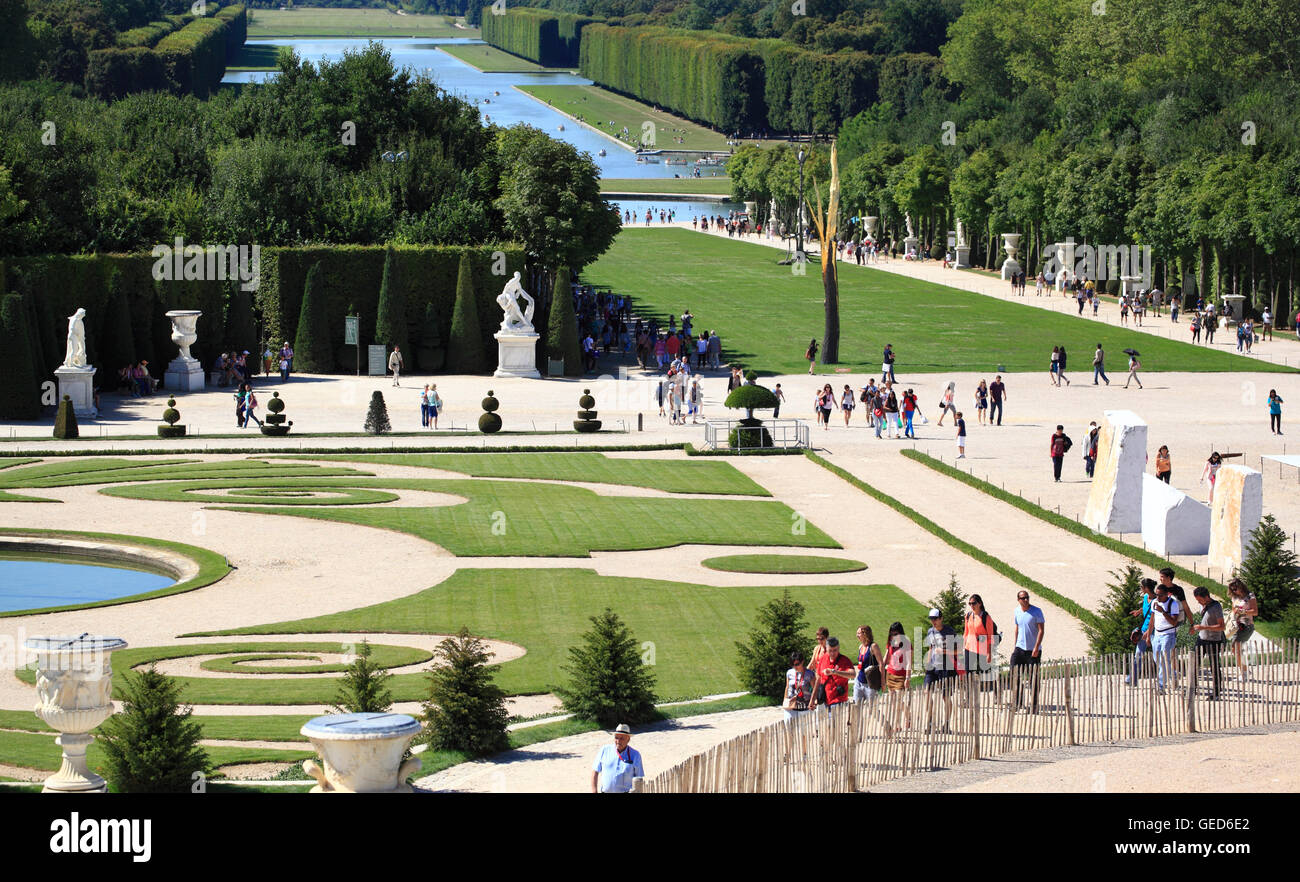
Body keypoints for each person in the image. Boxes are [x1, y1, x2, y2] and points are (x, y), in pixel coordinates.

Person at [923, 608, 957, 732]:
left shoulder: (949, 632)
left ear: (941, 618)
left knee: (946, 696)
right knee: (927, 693)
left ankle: (947, 723)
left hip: (946, 668)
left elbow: (958, 650)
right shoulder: (930, 631)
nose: (933, 621)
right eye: (931, 619)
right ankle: (930, 722)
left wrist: (943, 651)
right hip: (932, 667)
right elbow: (930, 648)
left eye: (935, 619)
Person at [1010, 591, 1045, 711]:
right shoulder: (1017, 611)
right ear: (1018, 599)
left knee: (1033, 678)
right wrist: (1015, 645)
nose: (1025, 600)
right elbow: (1017, 628)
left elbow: (1041, 630)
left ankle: (1034, 704)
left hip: (1033, 650)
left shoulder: (1037, 611)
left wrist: (1036, 647)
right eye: (1023, 598)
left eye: (1027, 597)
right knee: (1014, 674)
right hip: (1019, 648)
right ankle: (1018, 702)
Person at [1190, 586, 1225, 699]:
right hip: (1201, 638)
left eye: (1200, 600)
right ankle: (1193, 688)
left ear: (1206, 597)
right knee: (1195, 664)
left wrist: (1204, 627)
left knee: (1214, 666)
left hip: (1214, 640)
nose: (1199, 602)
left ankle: (1216, 692)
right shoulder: (1203, 605)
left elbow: (1221, 626)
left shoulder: (1216, 607)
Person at [590, 724, 644, 793]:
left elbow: (639, 779)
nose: (618, 741)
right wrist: (594, 791)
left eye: (622, 738)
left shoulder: (635, 755)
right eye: (616, 738)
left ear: (628, 739)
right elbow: (595, 771)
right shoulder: (605, 750)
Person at [1150, 581, 1182, 693]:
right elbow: (1152, 619)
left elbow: (1174, 622)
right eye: (1156, 594)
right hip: (1157, 634)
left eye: (1160, 595)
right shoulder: (1154, 602)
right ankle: (1172, 673)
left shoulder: (1173, 604)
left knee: (1163, 659)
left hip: (1168, 634)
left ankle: (1160, 686)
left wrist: (1163, 611)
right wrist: (1149, 635)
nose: (1158, 597)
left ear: (1166, 594)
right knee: (1157, 659)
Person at [1126, 578, 1156, 685]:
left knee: (1157, 656)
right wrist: (1139, 611)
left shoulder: (1156, 601)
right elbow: (1145, 608)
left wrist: (1149, 632)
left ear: (1146, 588)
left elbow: (1156, 617)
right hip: (1143, 629)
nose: (1141, 589)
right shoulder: (1146, 597)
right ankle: (1131, 679)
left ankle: (1164, 679)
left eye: (1141, 587)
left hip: (1153, 631)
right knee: (1138, 655)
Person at [811, 636, 855, 710]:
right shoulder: (823, 659)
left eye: (835, 650)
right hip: (825, 699)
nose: (832, 653)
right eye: (830, 650)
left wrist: (835, 672)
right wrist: (812, 699)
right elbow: (818, 680)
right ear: (826, 649)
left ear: (838, 648)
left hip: (839, 700)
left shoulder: (845, 660)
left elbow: (853, 674)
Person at [1227, 578, 1258, 682]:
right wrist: (1235, 612)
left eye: (1236, 589)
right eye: (1232, 589)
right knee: (1235, 649)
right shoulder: (1234, 597)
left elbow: (1255, 612)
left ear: (1240, 587)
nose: (1235, 591)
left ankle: (1244, 672)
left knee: (1235, 647)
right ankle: (1244, 670)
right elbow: (1233, 610)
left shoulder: (1250, 596)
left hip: (1247, 625)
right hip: (1237, 625)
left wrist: (1243, 611)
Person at [883, 622, 912, 731]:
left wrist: (908, 678)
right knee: (894, 701)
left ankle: (897, 724)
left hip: (901, 676)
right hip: (890, 674)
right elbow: (887, 655)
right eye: (892, 634)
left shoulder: (907, 644)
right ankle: (907, 715)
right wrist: (882, 665)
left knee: (898, 700)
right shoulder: (890, 642)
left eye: (896, 634)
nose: (893, 636)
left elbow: (909, 662)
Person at [963, 594, 997, 685]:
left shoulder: (986, 617)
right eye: (969, 603)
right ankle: (969, 693)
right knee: (968, 672)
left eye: (973, 603)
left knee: (986, 673)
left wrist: (989, 653)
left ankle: (992, 692)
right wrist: (963, 646)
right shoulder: (968, 616)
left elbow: (990, 637)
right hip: (969, 647)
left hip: (982, 648)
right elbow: (966, 632)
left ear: (980, 604)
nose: (971, 606)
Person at [853, 626, 884, 705]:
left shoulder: (873, 646)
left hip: (870, 684)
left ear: (865, 634)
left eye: (859, 633)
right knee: (856, 707)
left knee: (872, 710)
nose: (857, 635)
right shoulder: (860, 647)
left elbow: (881, 664)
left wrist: (883, 682)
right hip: (859, 681)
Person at [783, 651, 816, 722]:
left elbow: (814, 690)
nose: (795, 666)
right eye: (792, 664)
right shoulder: (789, 673)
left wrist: (814, 701)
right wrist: (785, 700)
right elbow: (787, 687)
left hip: (805, 706)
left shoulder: (810, 674)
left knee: (804, 730)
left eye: (797, 664)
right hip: (791, 705)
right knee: (789, 728)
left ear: (802, 662)